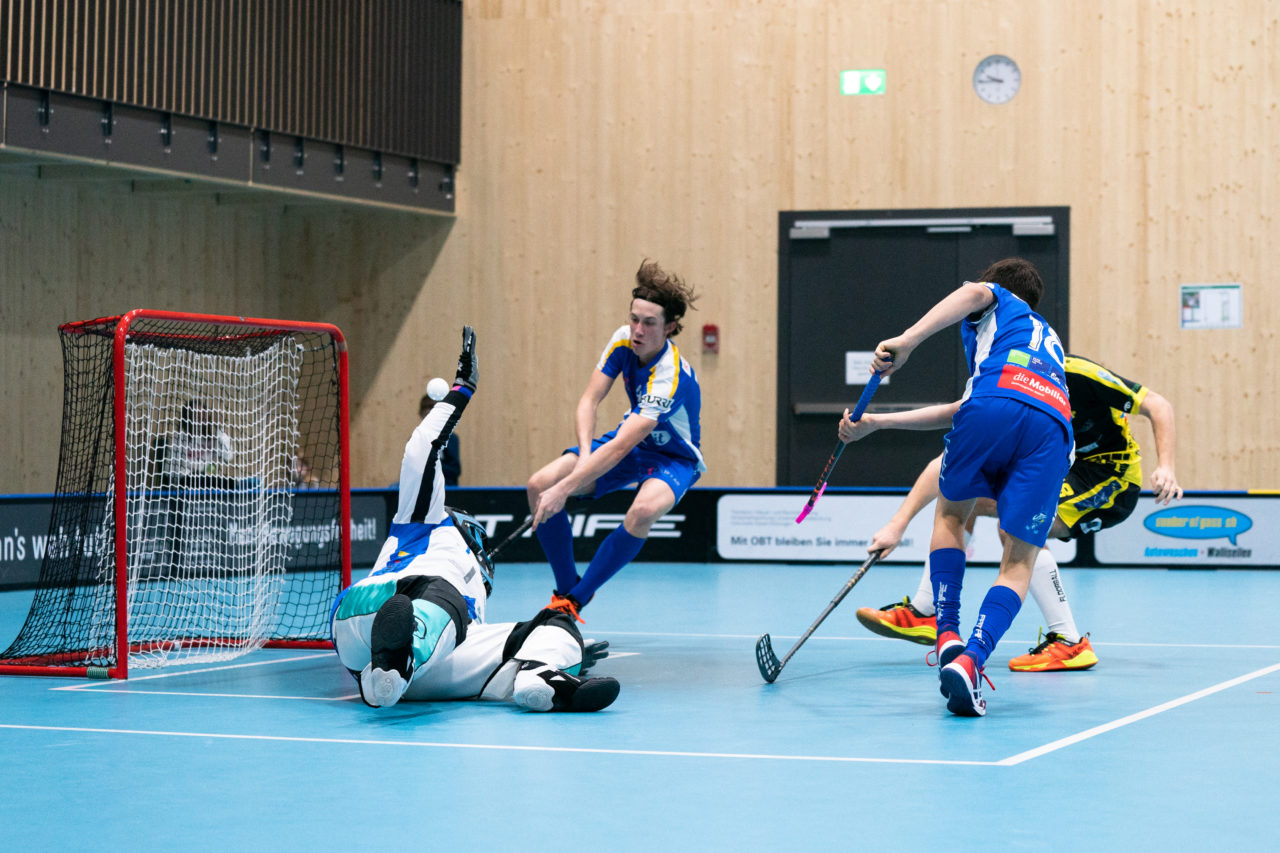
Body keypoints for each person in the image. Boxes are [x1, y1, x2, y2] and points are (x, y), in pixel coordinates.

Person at [330, 327, 619, 712]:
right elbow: (422, 452)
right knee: (439, 598)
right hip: (372, 614)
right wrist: (461, 389)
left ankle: (541, 675)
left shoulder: (477, 599)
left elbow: (477, 642)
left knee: (554, 623)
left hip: (431, 668)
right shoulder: (427, 526)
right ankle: (395, 660)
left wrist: (562, 648)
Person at [838, 257, 1072, 716]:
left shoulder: (999, 301)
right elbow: (962, 408)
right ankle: (972, 660)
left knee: (950, 515)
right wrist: (876, 424)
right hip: (1054, 428)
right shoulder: (1042, 344)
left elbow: (972, 295)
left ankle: (947, 633)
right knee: (1020, 558)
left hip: (994, 406)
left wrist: (906, 342)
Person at [854, 355, 1182, 671]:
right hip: (1057, 463)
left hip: (1107, 477)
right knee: (964, 499)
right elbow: (947, 465)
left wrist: (1166, 466)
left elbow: (1158, 404)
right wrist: (897, 524)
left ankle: (1069, 642)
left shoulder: (1076, 373)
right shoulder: (1002, 385)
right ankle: (927, 610)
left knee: (1017, 527)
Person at [527, 259, 703, 621]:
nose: (637, 330)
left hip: (673, 457)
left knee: (641, 511)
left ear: (670, 327)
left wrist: (567, 490)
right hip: (633, 444)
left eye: (649, 323)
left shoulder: (669, 377)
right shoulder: (623, 339)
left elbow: (622, 444)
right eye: (634, 318)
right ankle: (564, 593)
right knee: (539, 483)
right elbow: (589, 400)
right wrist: (585, 455)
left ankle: (577, 599)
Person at [419, 393, 462, 486]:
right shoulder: (416, 438)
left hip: (445, 486)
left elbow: (455, 470)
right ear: (421, 413)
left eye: (435, 407)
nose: (431, 411)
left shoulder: (451, 438)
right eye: (429, 407)